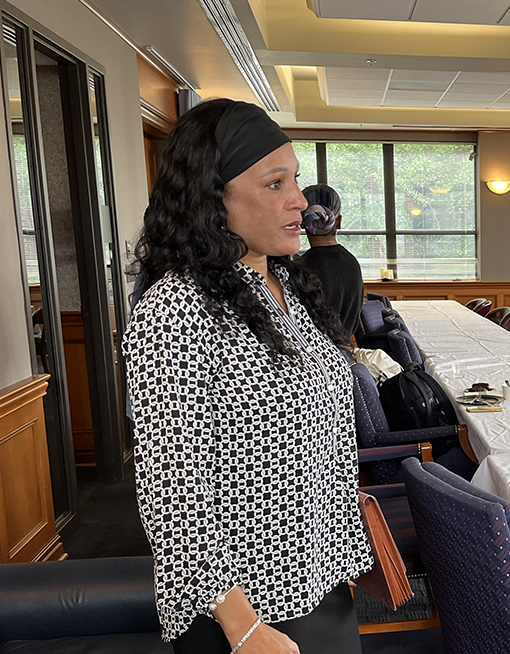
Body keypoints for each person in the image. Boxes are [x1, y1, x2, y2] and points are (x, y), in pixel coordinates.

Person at [125, 98, 371, 654]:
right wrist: (242, 626)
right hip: (246, 610)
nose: (300, 201)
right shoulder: (178, 309)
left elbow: (323, 438)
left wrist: (341, 554)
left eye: (298, 180)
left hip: (321, 581)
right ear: (213, 200)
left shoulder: (288, 288)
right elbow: (172, 489)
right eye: (273, 183)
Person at [298, 185, 365, 338]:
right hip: (344, 354)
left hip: (313, 355)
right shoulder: (352, 263)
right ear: (338, 221)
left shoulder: (299, 268)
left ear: (303, 223)